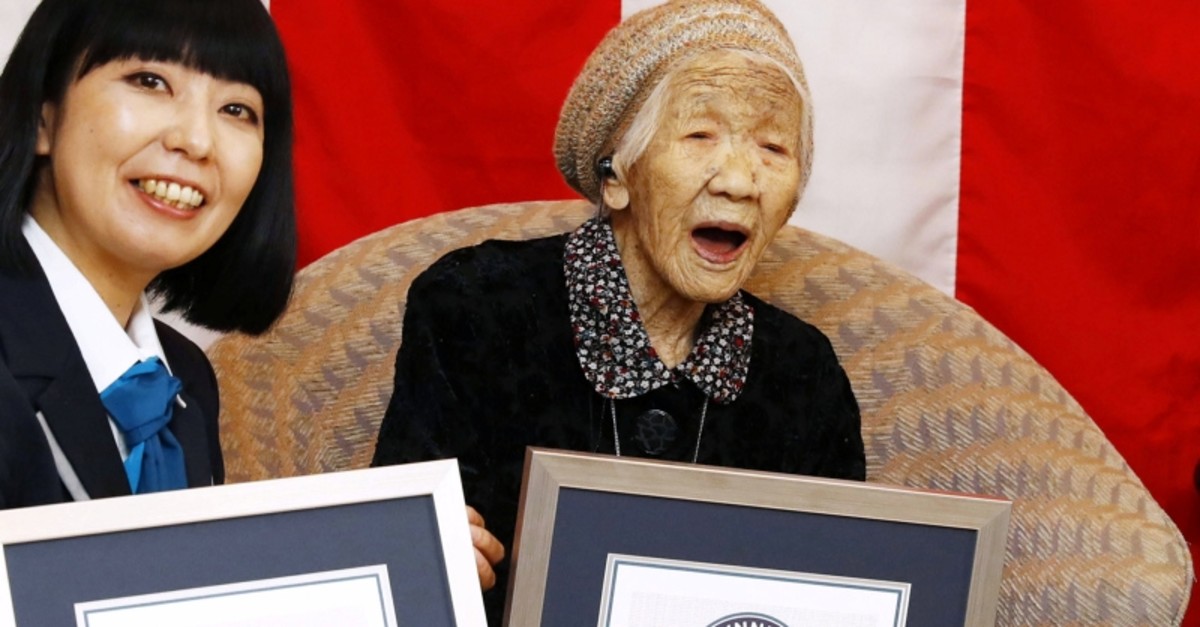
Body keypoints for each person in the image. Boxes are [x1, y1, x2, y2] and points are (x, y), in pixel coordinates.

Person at [372, 0, 865, 621]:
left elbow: (839, 585)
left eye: (773, 146)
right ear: (616, 178)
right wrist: (426, 551)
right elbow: (401, 546)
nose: (740, 181)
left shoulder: (803, 371)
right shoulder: (479, 306)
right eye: (700, 135)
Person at [0, 0, 295, 509]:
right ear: (42, 116)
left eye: (236, 110)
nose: (197, 141)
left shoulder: (185, 380)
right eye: (150, 81)